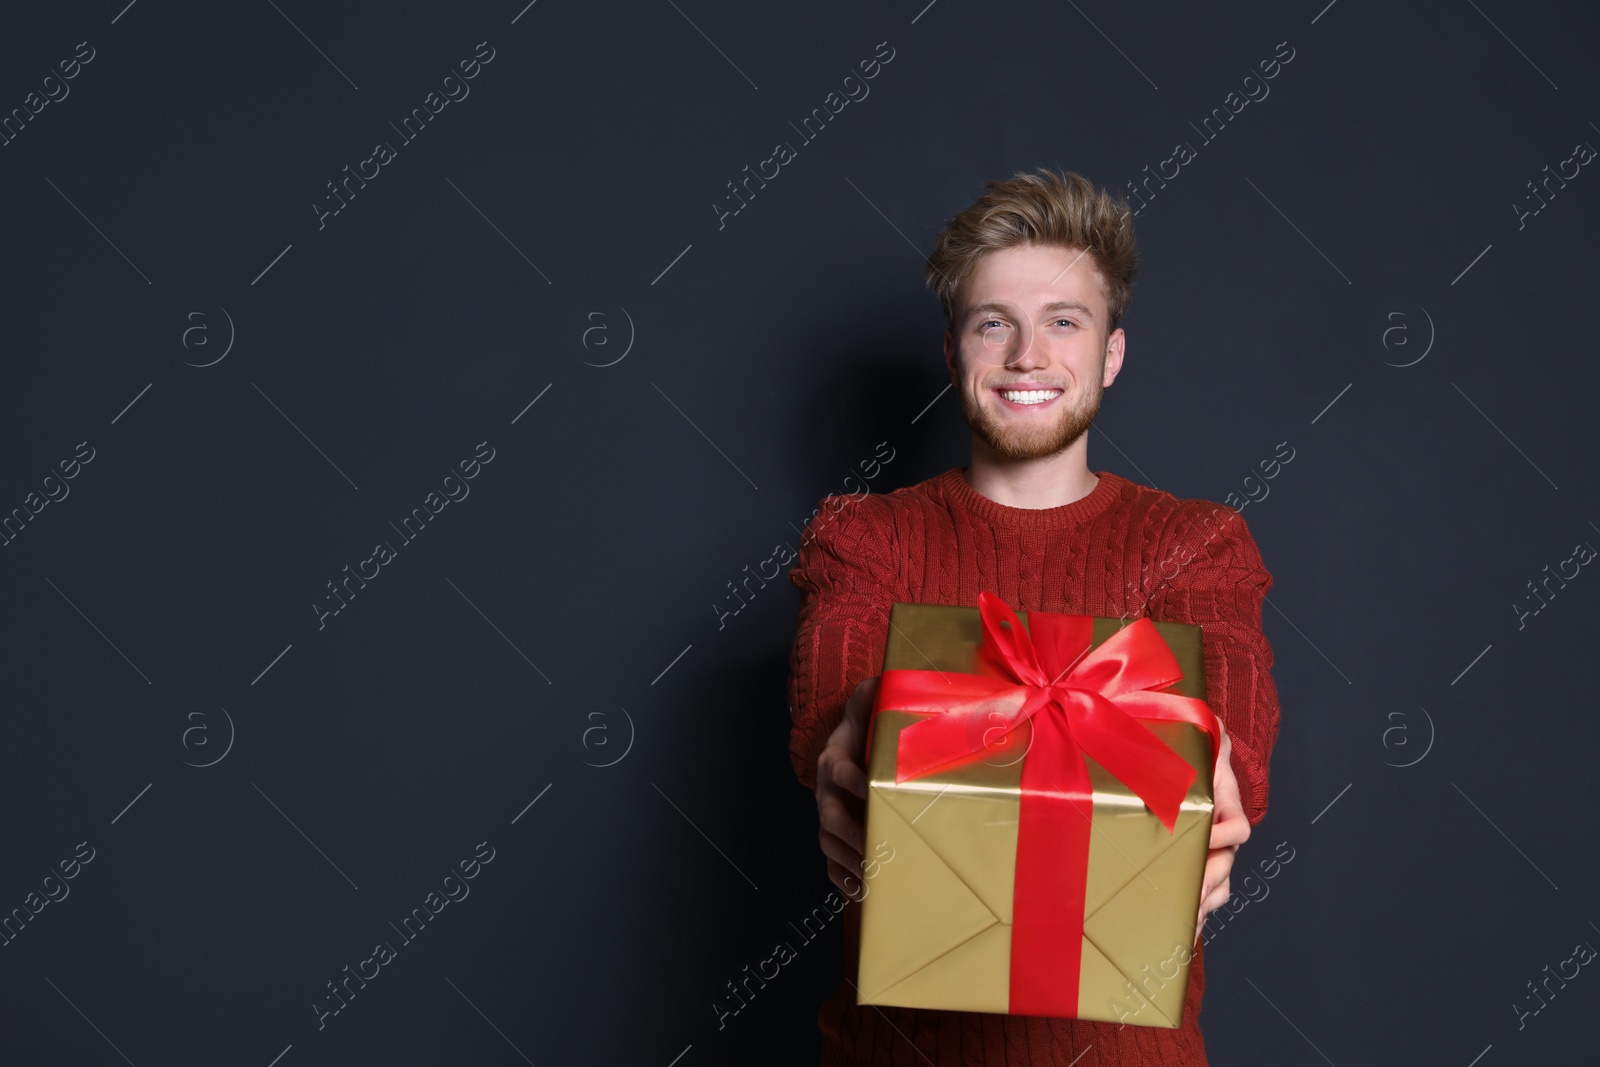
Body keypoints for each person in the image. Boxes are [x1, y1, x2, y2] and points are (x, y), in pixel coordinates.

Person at [786, 168, 1280, 1066]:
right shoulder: (868, 538)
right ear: (953, 353)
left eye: (1064, 321)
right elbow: (829, 718)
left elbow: (1237, 744)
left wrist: (1219, 782)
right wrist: (856, 737)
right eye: (993, 323)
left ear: (1111, 354)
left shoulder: (1196, 543)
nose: (1027, 356)